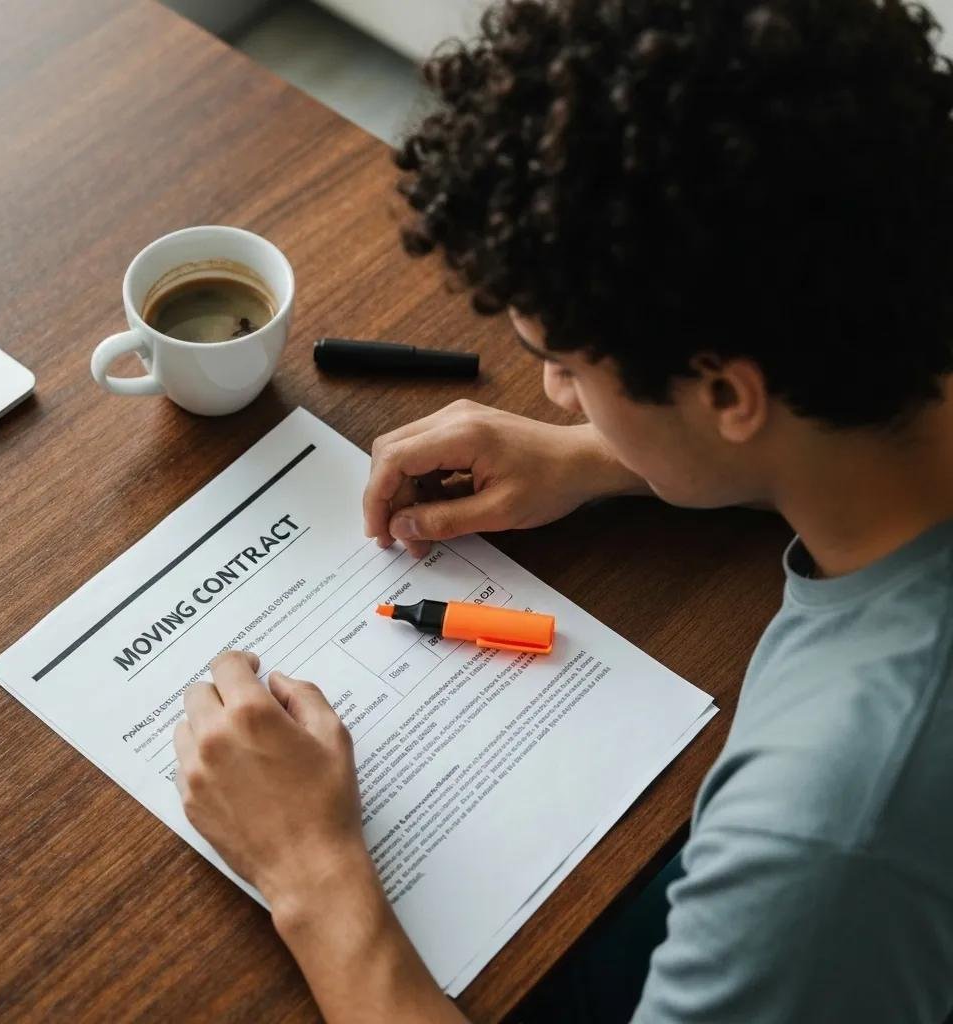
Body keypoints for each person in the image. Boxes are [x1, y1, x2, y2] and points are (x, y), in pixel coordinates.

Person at [171, 0, 953, 1020]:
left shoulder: (828, 835)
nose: (549, 398)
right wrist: (602, 455)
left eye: (565, 368)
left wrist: (311, 871)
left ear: (726, 396)